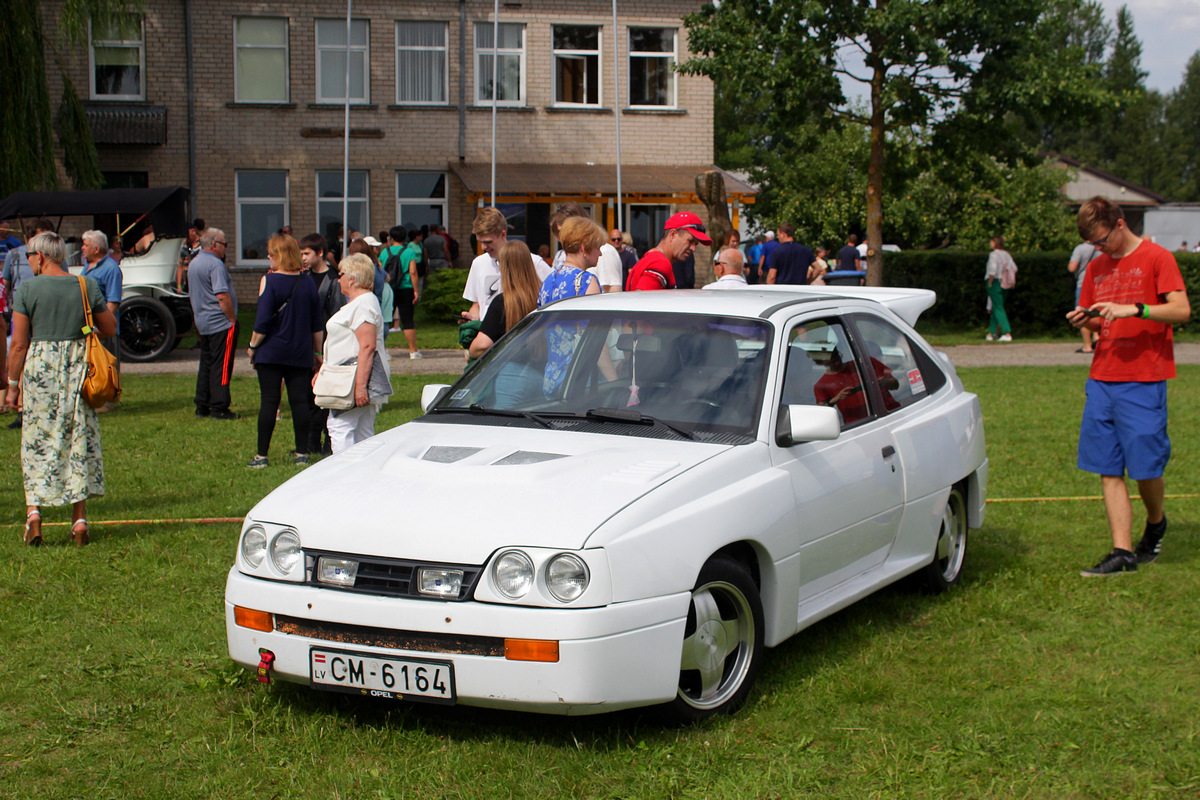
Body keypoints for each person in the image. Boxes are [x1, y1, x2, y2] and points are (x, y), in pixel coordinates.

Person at [1066, 196, 1190, 577]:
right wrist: (1085, 320)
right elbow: (1099, 321)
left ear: (1120, 224)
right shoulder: (1097, 268)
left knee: (1146, 467)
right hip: (1102, 376)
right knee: (1107, 466)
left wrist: (1137, 308)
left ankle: (1156, 523)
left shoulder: (1157, 257)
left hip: (1143, 377)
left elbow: (1182, 311)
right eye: (1094, 245)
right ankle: (1122, 553)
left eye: (1103, 241)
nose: (1100, 249)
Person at [6, 231, 117, 546]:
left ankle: (34, 515)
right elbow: (109, 327)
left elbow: (18, 345)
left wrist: (12, 387)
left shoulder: (28, 289)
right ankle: (79, 521)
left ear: (40, 256)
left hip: (41, 370)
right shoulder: (85, 285)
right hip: (76, 369)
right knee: (76, 437)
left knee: (36, 440)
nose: (29, 262)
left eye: (29, 256)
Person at [245, 235, 323, 468]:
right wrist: (318, 353)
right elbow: (316, 323)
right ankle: (302, 452)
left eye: (270, 253)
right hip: (299, 351)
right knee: (300, 401)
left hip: (271, 352)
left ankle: (261, 455)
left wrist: (252, 346)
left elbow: (262, 322)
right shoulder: (308, 282)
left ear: (279, 255)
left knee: (269, 401)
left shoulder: (269, 281)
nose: (267, 257)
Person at [321, 253, 392, 452]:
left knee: (339, 427)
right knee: (363, 431)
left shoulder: (363, 304)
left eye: (341, 274)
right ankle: (364, 475)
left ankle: (344, 474)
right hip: (349, 375)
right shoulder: (362, 303)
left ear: (352, 278)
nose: (338, 278)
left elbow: (367, 346)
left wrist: (360, 387)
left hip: (353, 378)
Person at [463, 207, 551, 322]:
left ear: (503, 234)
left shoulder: (534, 262)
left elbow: (553, 300)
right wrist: (472, 318)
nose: (483, 247)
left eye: (488, 242)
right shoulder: (478, 263)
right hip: (490, 336)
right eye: (480, 242)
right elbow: (478, 304)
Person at [188, 228, 240, 419]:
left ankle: (202, 404)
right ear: (214, 245)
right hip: (220, 322)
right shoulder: (215, 264)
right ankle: (220, 407)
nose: (225, 248)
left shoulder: (194, 263)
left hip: (203, 321)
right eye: (224, 244)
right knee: (222, 365)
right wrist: (232, 319)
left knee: (207, 364)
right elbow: (221, 295)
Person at [300, 233, 343, 455]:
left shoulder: (334, 280)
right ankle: (310, 441)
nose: (303, 258)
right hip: (308, 343)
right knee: (309, 395)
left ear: (320, 253)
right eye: (301, 254)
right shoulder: (303, 277)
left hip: (327, 343)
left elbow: (336, 314)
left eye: (306, 253)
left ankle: (327, 441)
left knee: (326, 395)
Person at [469, 239, 541, 360]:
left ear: (504, 266)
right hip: (541, 365)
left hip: (511, 367)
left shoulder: (502, 302)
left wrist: (469, 353)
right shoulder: (543, 297)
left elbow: (482, 345)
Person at [79, 230, 123, 412]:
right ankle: (94, 396)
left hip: (103, 328)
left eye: (86, 245)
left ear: (96, 249)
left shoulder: (111, 269)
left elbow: (112, 302)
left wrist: (101, 328)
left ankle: (108, 400)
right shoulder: (88, 267)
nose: (82, 248)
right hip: (88, 327)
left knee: (107, 364)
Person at [626, 212, 711, 291]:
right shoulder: (660, 263)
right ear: (673, 234)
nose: (693, 248)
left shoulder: (650, 258)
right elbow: (641, 301)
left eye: (696, 244)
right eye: (690, 241)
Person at [549, 203, 622, 292]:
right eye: (556, 232)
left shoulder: (604, 251)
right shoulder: (560, 255)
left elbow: (613, 291)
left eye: (563, 231)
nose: (558, 238)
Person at [1067, 240, 1100, 353]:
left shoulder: (1080, 248)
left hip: (1084, 283)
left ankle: (1087, 346)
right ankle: (1097, 339)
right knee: (1096, 312)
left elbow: (1072, 267)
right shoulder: (1100, 248)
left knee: (1082, 313)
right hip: (1100, 284)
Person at [984, 235, 1016, 342]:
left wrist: (990, 281)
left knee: (998, 307)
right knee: (996, 307)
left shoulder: (993, 255)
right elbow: (1014, 268)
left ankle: (1007, 332)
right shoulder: (1006, 254)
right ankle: (992, 332)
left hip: (996, 282)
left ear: (994, 243)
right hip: (1006, 283)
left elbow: (992, 270)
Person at [177, 218, 205, 291]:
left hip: (199, 282)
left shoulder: (202, 245)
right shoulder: (184, 246)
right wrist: (179, 285)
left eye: (187, 234)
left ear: (193, 231)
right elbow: (180, 265)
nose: (186, 237)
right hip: (187, 283)